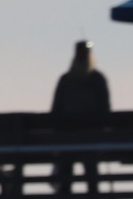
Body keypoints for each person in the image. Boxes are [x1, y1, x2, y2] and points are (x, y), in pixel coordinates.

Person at [51, 40, 111, 196]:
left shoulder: (66, 80)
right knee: (90, 179)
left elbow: (55, 110)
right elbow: (106, 110)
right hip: (88, 139)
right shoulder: (97, 79)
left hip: (69, 139)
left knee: (68, 180)